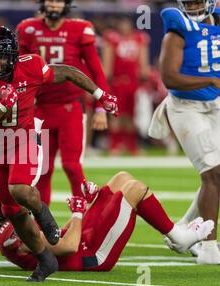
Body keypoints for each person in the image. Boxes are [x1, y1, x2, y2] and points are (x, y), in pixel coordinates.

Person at [0, 25, 118, 281]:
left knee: (19, 189)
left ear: (13, 56)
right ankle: (45, 259)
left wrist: (101, 95)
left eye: (2, 56)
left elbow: (67, 72)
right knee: (11, 211)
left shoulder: (30, 65)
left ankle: (46, 218)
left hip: (24, 138)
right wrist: (2, 105)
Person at [0, 172, 214, 271]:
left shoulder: (13, 223)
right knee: (135, 190)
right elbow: (68, 246)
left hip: (85, 242)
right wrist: (78, 213)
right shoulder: (13, 234)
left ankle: (175, 231)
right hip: (93, 255)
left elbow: (58, 236)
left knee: (121, 178)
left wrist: (90, 201)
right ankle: (179, 238)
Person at [16, 0, 110, 203]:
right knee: (42, 169)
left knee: (72, 165)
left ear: (66, 5)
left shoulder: (79, 28)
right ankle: (43, 224)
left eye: (58, 1)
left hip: (70, 107)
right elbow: (19, 71)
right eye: (50, 0)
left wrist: (101, 107)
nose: (54, 5)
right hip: (40, 109)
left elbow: (96, 70)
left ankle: (83, 217)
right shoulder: (28, 29)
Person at [153, 0, 220, 264]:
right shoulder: (177, 30)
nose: (192, 7)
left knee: (217, 175)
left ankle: (183, 229)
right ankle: (209, 247)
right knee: (212, 173)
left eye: (196, 1)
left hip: (214, 103)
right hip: (184, 107)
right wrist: (211, 79)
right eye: (188, 2)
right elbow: (169, 77)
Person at [102, 15, 150, 155]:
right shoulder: (112, 38)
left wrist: (144, 77)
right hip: (117, 81)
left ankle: (131, 145)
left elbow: (143, 62)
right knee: (116, 114)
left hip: (133, 82)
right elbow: (107, 63)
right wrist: (105, 80)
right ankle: (115, 144)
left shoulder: (139, 38)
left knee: (131, 115)